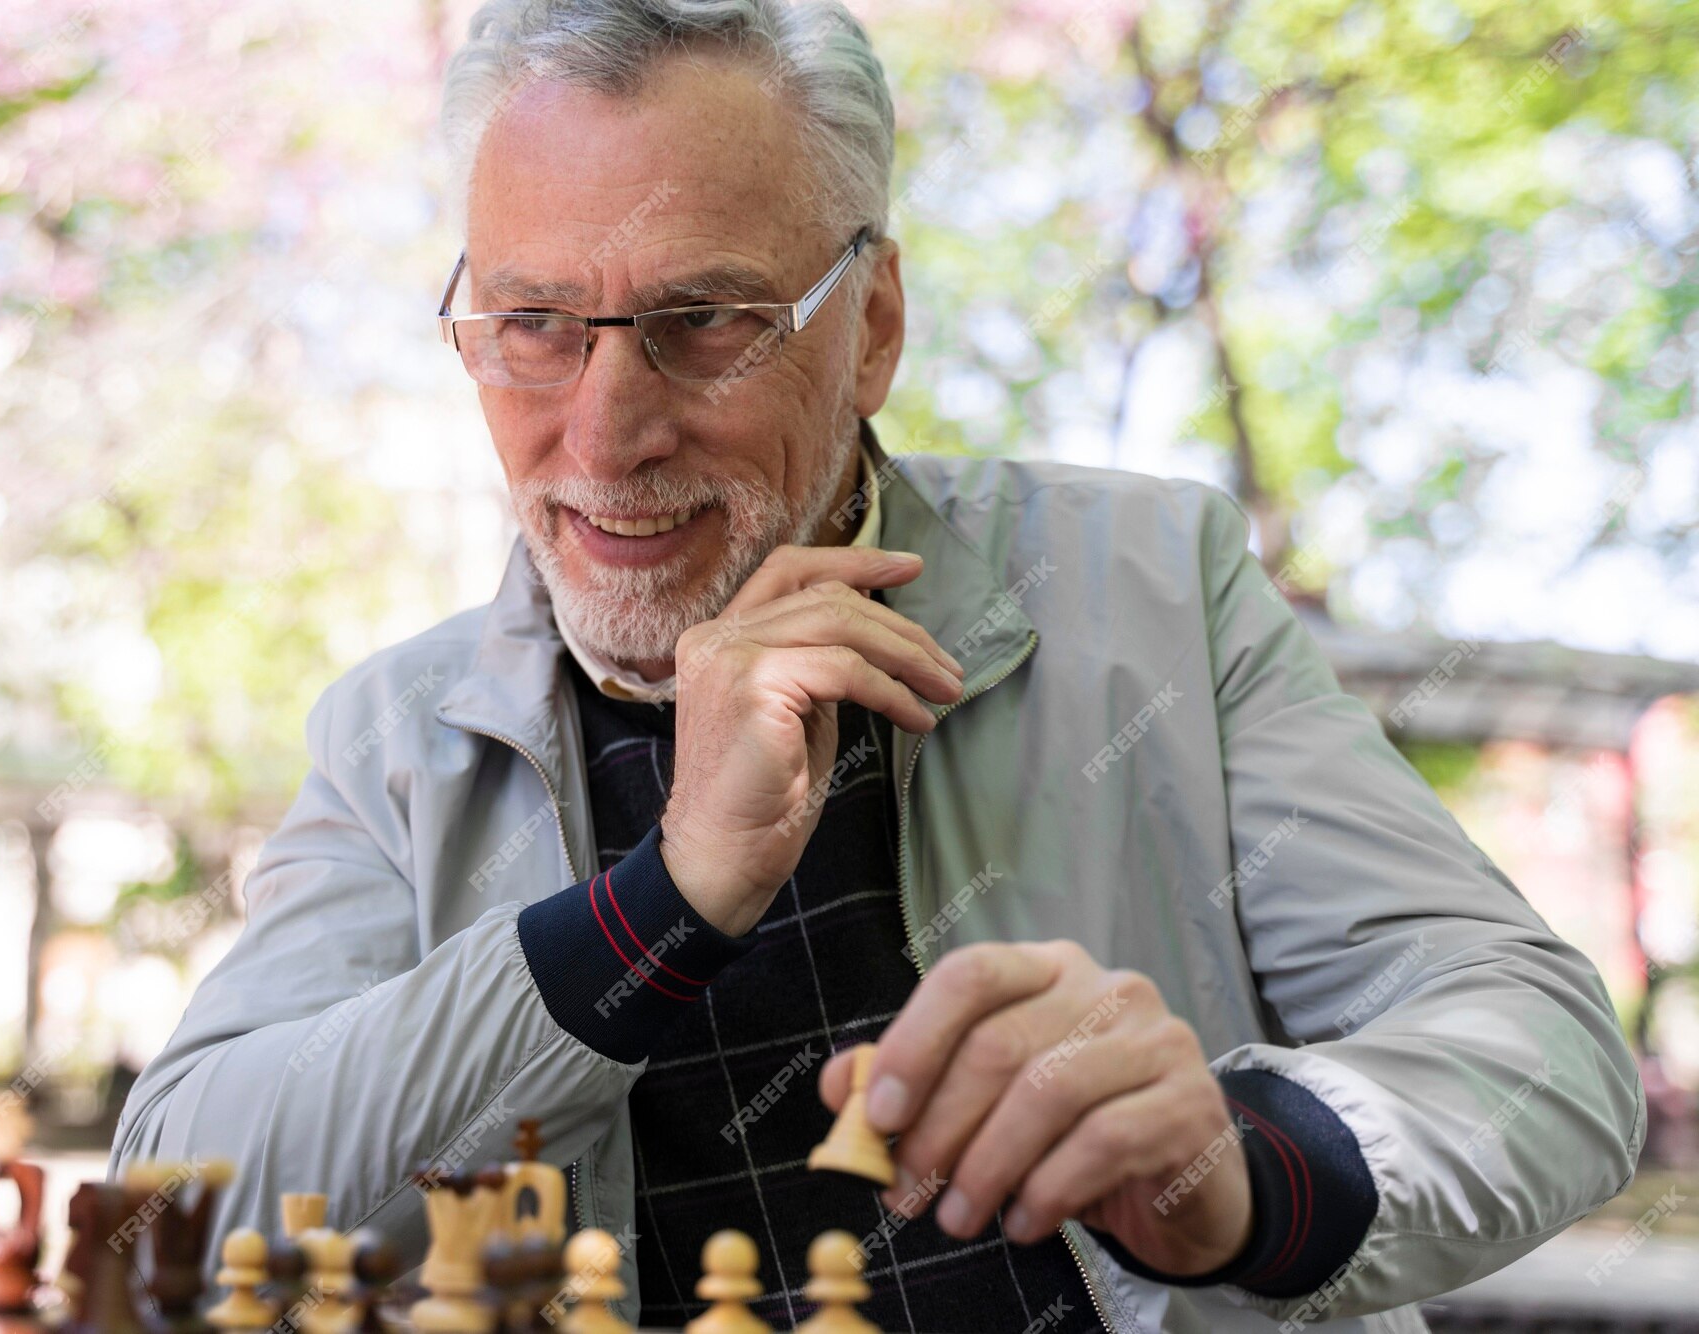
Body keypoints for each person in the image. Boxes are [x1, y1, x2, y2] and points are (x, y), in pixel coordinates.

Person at [111, 2, 1642, 1329]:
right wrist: (657, 905)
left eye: (702, 321)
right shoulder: (395, 741)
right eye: (531, 325)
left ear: (875, 327)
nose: (603, 431)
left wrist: (1241, 1170)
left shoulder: (1149, 589)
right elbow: (167, 1196)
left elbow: (1547, 1055)